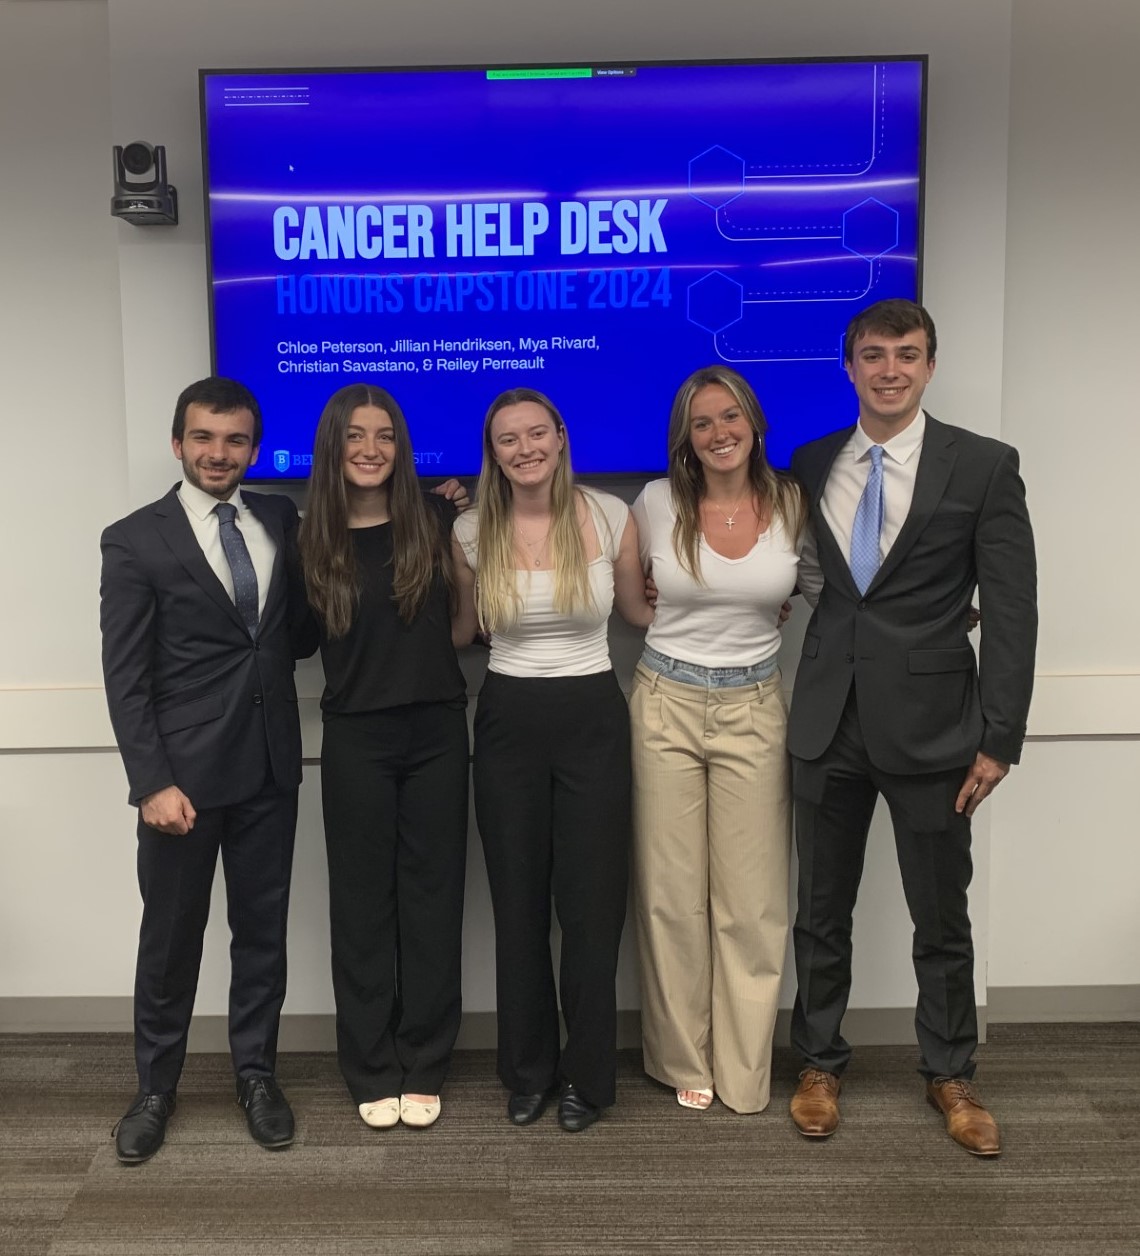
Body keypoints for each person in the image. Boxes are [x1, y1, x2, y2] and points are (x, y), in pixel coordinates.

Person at [787, 299, 1037, 1157]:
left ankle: (951, 1074)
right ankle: (817, 1063)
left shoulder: (985, 466)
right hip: (826, 721)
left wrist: (1000, 736)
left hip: (938, 729)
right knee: (820, 911)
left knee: (941, 915)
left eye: (907, 353)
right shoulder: (812, 460)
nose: (889, 368)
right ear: (847, 365)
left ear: (930, 365)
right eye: (872, 354)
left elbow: (1012, 609)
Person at [100, 376, 318, 1164]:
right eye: (203, 438)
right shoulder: (134, 539)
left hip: (268, 770)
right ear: (178, 443)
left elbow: (291, 637)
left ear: (253, 449)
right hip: (181, 785)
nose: (218, 454)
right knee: (170, 942)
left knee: (260, 938)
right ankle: (155, 1089)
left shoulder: (277, 518)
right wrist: (150, 782)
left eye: (234, 441)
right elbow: (124, 676)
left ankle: (256, 1077)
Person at [451, 387, 653, 1132]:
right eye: (509, 438)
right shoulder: (468, 531)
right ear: (493, 452)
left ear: (562, 438)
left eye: (538, 433)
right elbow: (461, 629)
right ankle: (528, 1071)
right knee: (519, 908)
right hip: (506, 721)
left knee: (592, 913)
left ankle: (587, 1078)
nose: (525, 448)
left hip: (593, 717)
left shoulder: (610, 514)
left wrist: (745, 600)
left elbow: (638, 612)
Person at [629, 366, 811, 1115]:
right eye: (701, 423)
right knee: (672, 896)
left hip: (756, 706)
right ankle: (683, 1059)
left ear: (754, 423)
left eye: (730, 417)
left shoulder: (794, 502)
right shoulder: (654, 501)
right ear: (686, 437)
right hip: (665, 701)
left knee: (753, 901)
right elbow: (633, 610)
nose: (718, 433)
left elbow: (826, 585)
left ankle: (745, 1065)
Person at [299, 383, 469, 1131]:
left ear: (401, 448)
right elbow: (287, 642)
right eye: (356, 436)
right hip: (357, 741)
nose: (371, 449)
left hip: (437, 734)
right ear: (332, 448)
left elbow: (465, 626)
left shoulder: (437, 519)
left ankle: (425, 1060)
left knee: (434, 904)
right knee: (363, 909)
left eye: (386, 436)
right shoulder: (307, 539)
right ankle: (370, 1065)